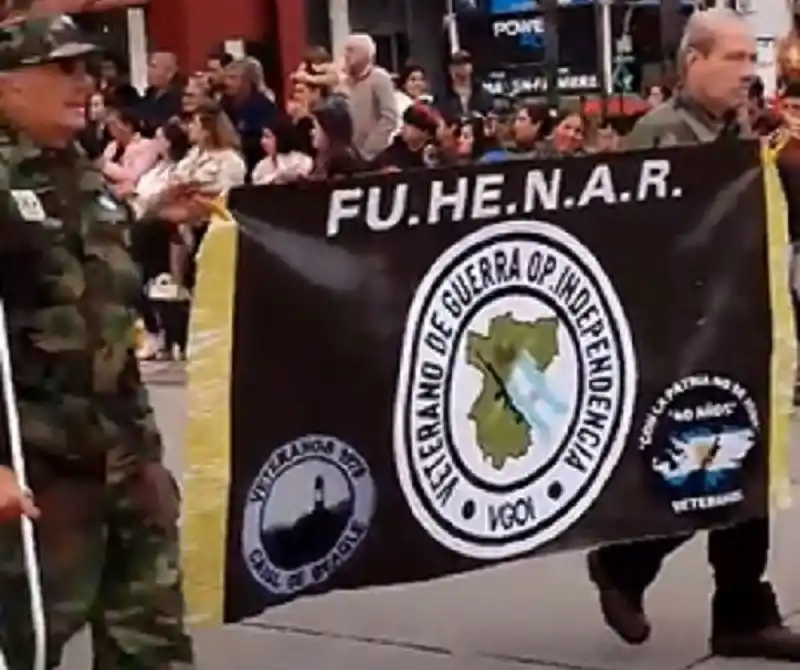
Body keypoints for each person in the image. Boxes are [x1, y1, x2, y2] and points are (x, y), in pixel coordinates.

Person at [588, 8, 800, 661]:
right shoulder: (662, 135)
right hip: (684, 331)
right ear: (692, 62)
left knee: (744, 463)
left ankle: (740, 607)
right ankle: (627, 564)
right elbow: (637, 236)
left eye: (752, 58)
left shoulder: (740, 132)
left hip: (740, 322)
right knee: (703, 465)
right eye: (735, 58)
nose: (749, 73)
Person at [0, 12, 194, 669]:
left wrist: (151, 220)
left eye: (88, 68)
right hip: (38, 469)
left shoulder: (80, 174)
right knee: (23, 644)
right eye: (63, 69)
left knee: (152, 646)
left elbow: (92, 287)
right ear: (8, 83)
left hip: (125, 456)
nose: (85, 82)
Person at [341, 33, 398, 161]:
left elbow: (389, 118)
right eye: (346, 50)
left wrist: (367, 150)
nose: (346, 55)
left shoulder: (379, 78)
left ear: (365, 54)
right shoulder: (345, 82)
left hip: (373, 157)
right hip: (349, 156)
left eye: (351, 50)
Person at [251, 116, 313, 185]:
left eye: (267, 137)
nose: (262, 141)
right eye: (262, 136)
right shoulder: (262, 166)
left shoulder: (302, 161)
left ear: (281, 138)